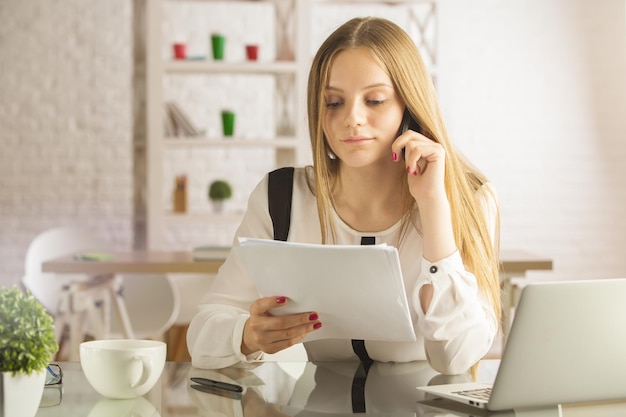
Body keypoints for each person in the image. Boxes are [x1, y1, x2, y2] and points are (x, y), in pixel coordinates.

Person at [187, 16, 501, 375]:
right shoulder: (281, 198)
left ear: (408, 106)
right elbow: (201, 335)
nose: (352, 118)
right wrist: (246, 335)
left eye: (375, 100)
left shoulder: (470, 199)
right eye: (334, 102)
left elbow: (456, 357)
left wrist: (434, 206)